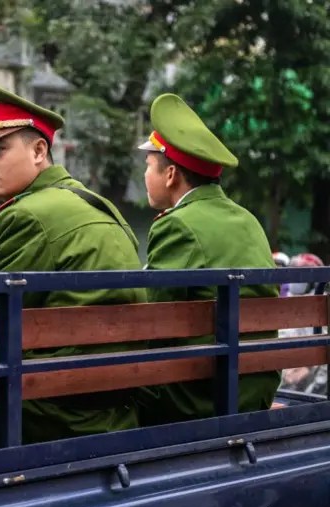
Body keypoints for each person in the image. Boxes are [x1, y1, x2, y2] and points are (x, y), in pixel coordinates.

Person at [0, 81, 146, 443]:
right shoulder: (99, 203)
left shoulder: (24, 214)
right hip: (119, 408)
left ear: (39, 150)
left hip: (53, 414)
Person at [137, 92, 280, 424]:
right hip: (255, 390)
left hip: (200, 397)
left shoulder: (176, 225)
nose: (145, 176)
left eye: (148, 166)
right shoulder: (248, 219)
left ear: (170, 174)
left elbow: (150, 321)